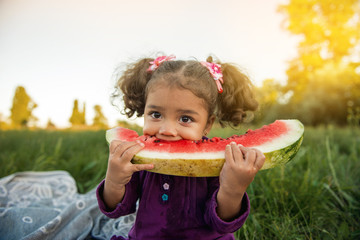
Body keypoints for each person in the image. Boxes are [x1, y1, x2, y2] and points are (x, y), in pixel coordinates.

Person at [96, 54, 265, 239]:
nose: (167, 130)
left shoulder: (217, 161)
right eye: (156, 114)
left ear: (207, 125)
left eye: (185, 119)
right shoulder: (139, 156)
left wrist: (233, 189)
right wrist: (114, 180)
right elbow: (118, 209)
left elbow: (220, 222)